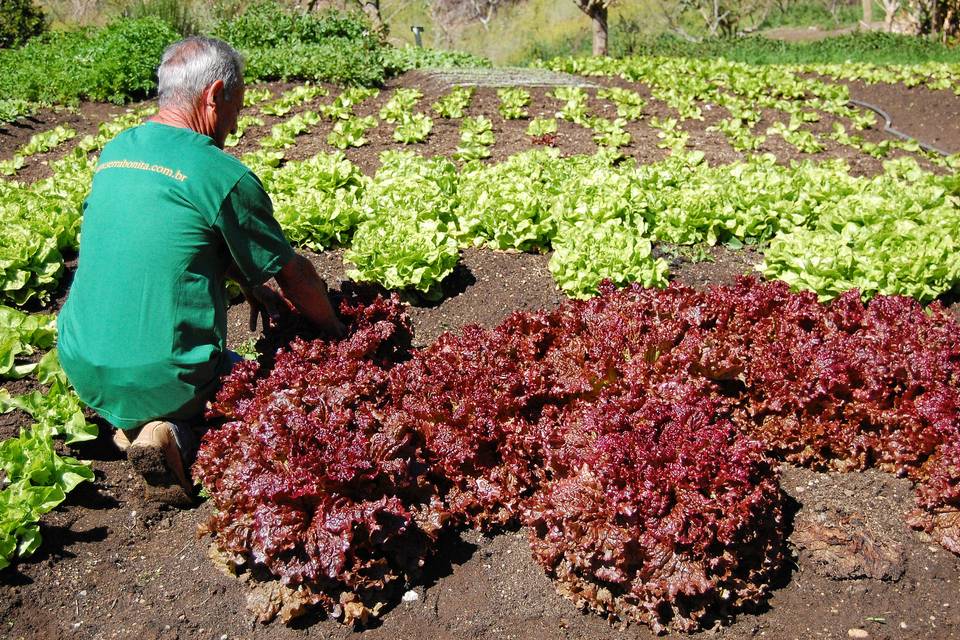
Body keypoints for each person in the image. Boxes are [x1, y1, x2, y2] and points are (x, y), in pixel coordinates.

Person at [57, 36, 345, 505]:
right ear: (214, 95)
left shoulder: (116, 150)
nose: (236, 122)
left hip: (81, 360)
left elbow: (171, 239)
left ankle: (119, 421)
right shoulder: (221, 174)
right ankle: (172, 434)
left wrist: (251, 283)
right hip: (165, 375)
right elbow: (296, 276)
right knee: (273, 401)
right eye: (237, 106)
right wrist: (335, 333)